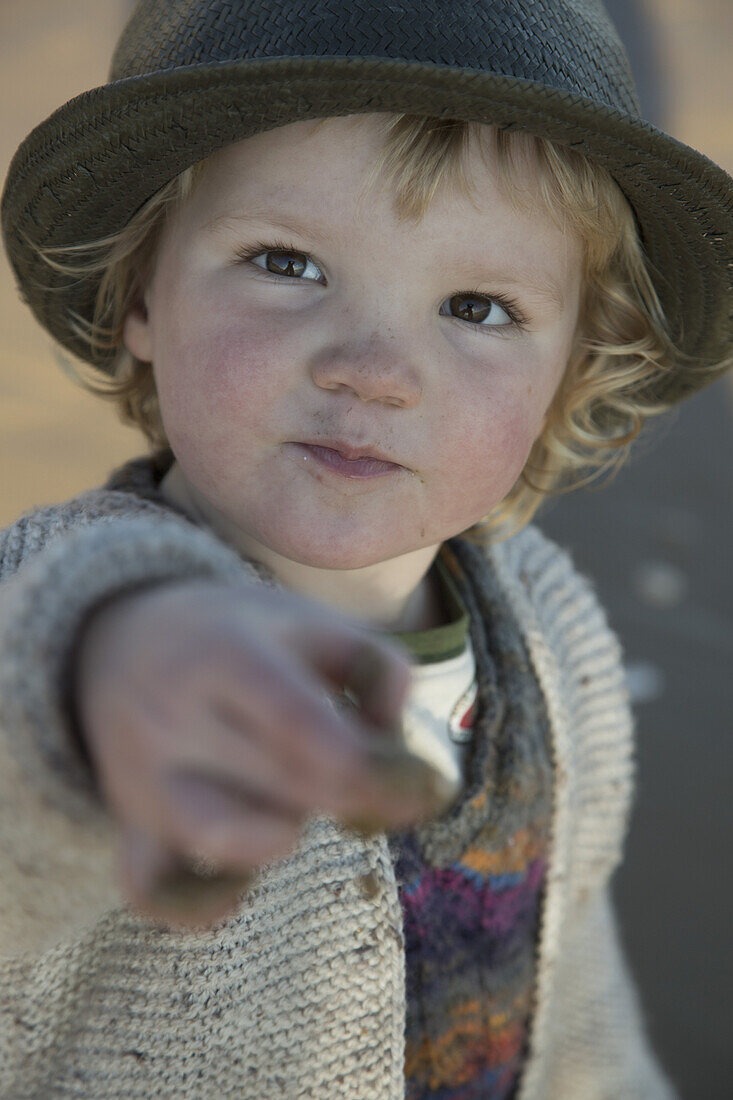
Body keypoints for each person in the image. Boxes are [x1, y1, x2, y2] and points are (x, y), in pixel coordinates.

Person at [0, 1, 730, 1097]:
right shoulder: (75, 607)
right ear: (141, 289)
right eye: (287, 263)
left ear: (573, 363)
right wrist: (102, 671)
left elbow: (571, 997)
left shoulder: (551, 631)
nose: (373, 368)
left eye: (476, 305)